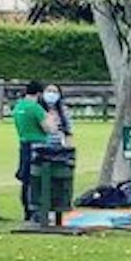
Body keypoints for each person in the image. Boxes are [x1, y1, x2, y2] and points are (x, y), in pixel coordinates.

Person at [27, 83, 77, 226]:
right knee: (38, 181)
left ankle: (57, 210)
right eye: (49, 91)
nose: (51, 94)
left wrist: (68, 149)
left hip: (58, 148)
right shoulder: (37, 109)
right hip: (39, 147)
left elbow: (68, 131)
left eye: (55, 91)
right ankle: (37, 213)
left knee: (57, 182)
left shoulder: (63, 111)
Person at [11, 81, 50, 223]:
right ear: (39, 94)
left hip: (23, 143)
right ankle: (36, 210)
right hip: (38, 145)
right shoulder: (35, 108)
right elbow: (48, 128)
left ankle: (26, 210)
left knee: (25, 178)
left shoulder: (18, 106)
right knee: (37, 178)